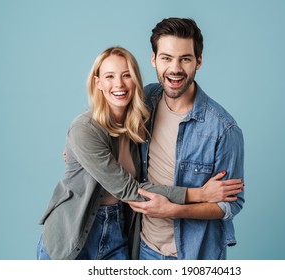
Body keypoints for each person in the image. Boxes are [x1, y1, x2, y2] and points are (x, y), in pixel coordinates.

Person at [37, 46, 244, 260]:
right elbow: (129, 189)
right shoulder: (84, 129)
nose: (119, 84)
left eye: (127, 75)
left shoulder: (138, 122)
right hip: (73, 234)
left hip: (118, 232)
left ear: (136, 81)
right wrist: (199, 195)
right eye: (109, 76)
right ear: (97, 82)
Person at [126, 18, 245, 260]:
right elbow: (107, 121)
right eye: (166, 58)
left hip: (193, 255)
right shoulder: (145, 99)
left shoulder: (223, 128)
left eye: (185, 59)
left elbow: (230, 205)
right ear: (154, 59)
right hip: (143, 249)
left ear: (198, 62)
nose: (175, 69)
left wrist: (173, 210)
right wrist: (76, 146)